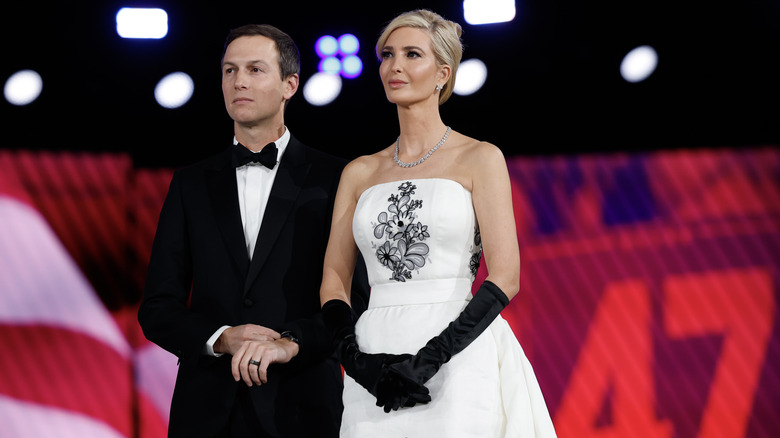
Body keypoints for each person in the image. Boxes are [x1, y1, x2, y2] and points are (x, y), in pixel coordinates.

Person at [319, 9, 558, 437]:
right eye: (387, 55)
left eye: (412, 54)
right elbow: (334, 282)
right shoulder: (359, 172)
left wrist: (431, 359)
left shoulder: (479, 158)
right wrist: (358, 364)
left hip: (457, 352)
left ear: (442, 74)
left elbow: (506, 277)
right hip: (375, 357)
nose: (395, 66)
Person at [138, 24, 368, 438]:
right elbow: (157, 308)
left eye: (255, 69)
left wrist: (291, 342)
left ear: (290, 85)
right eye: (230, 70)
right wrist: (221, 338)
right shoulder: (190, 183)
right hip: (206, 412)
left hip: (303, 407)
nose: (239, 81)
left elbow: (357, 299)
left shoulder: (337, 178)